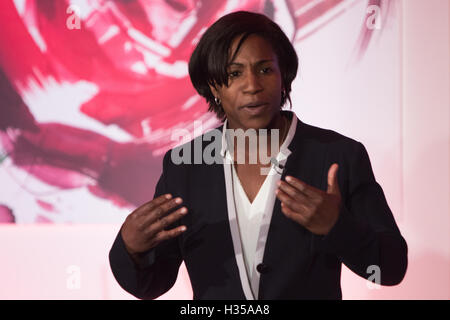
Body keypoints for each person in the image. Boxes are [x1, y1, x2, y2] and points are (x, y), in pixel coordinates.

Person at [109, 11, 407, 300]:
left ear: (284, 76)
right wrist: (131, 248)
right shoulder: (185, 165)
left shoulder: (338, 155)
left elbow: (390, 269)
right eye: (234, 73)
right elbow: (151, 285)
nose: (252, 86)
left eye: (265, 69)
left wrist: (338, 227)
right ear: (213, 86)